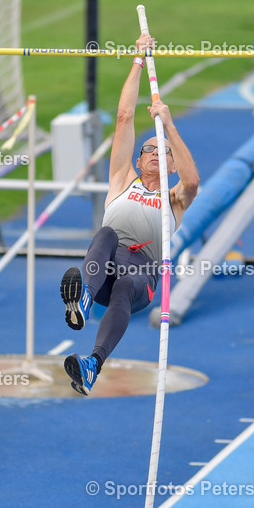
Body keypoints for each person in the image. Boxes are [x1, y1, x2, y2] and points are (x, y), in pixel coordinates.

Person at [60, 32, 200, 396]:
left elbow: (194, 181)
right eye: (148, 149)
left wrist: (168, 125)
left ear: (171, 164)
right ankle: (83, 300)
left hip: (140, 279)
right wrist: (138, 59)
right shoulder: (122, 180)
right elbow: (124, 117)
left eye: (163, 151)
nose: (155, 152)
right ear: (138, 160)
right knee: (106, 235)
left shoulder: (175, 199)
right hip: (100, 273)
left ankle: (93, 364)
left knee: (124, 284)